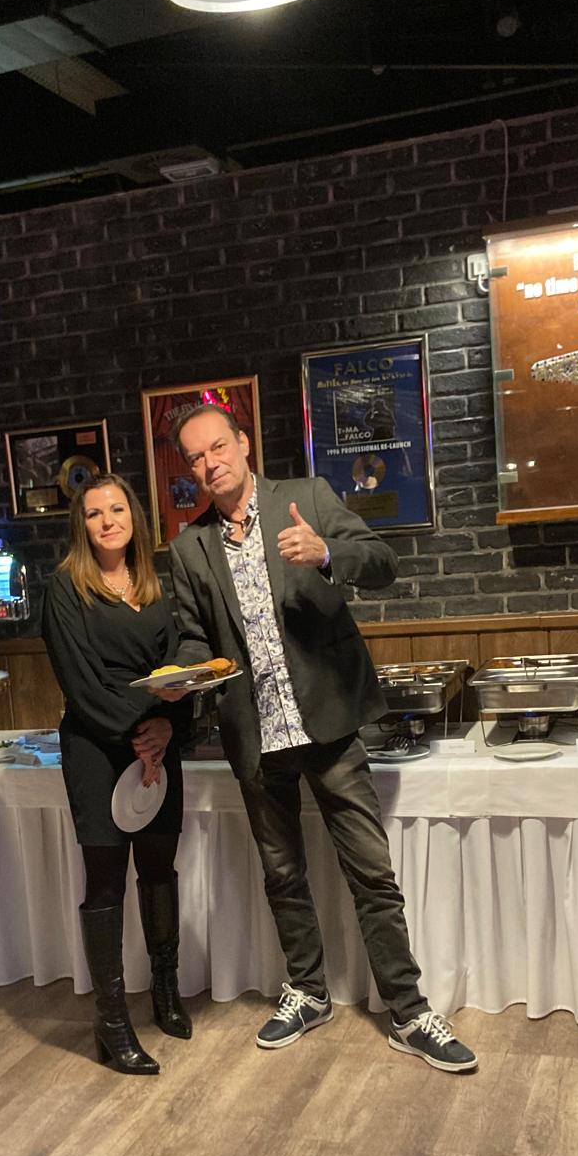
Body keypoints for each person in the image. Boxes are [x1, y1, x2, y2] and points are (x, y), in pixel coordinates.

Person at [168, 405, 477, 1073]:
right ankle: (307, 992)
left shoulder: (306, 498)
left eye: (218, 447)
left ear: (243, 444)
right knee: (282, 875)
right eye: (195, 457)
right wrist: (186, 674)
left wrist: (328, 553)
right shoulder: (189, 548)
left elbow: (382, 562)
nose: (210, 463)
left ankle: (408, 1010)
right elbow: (194, 634)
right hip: (254, 733)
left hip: (328, 723)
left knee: (370, 872)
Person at [41, 473, 191, 1076]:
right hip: (97, 749)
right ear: (81, 524)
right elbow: (83, 685)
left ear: (134, 517)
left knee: (159, 868)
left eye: (117, 509)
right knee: (105, 883)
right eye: (94, 513)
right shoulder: (65, 589)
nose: (107, 521)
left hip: (159, 743)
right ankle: (111, 1022)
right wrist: (143, 729)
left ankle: (165, 990)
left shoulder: (156, 585)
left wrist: (167, 730)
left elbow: (178, 666)